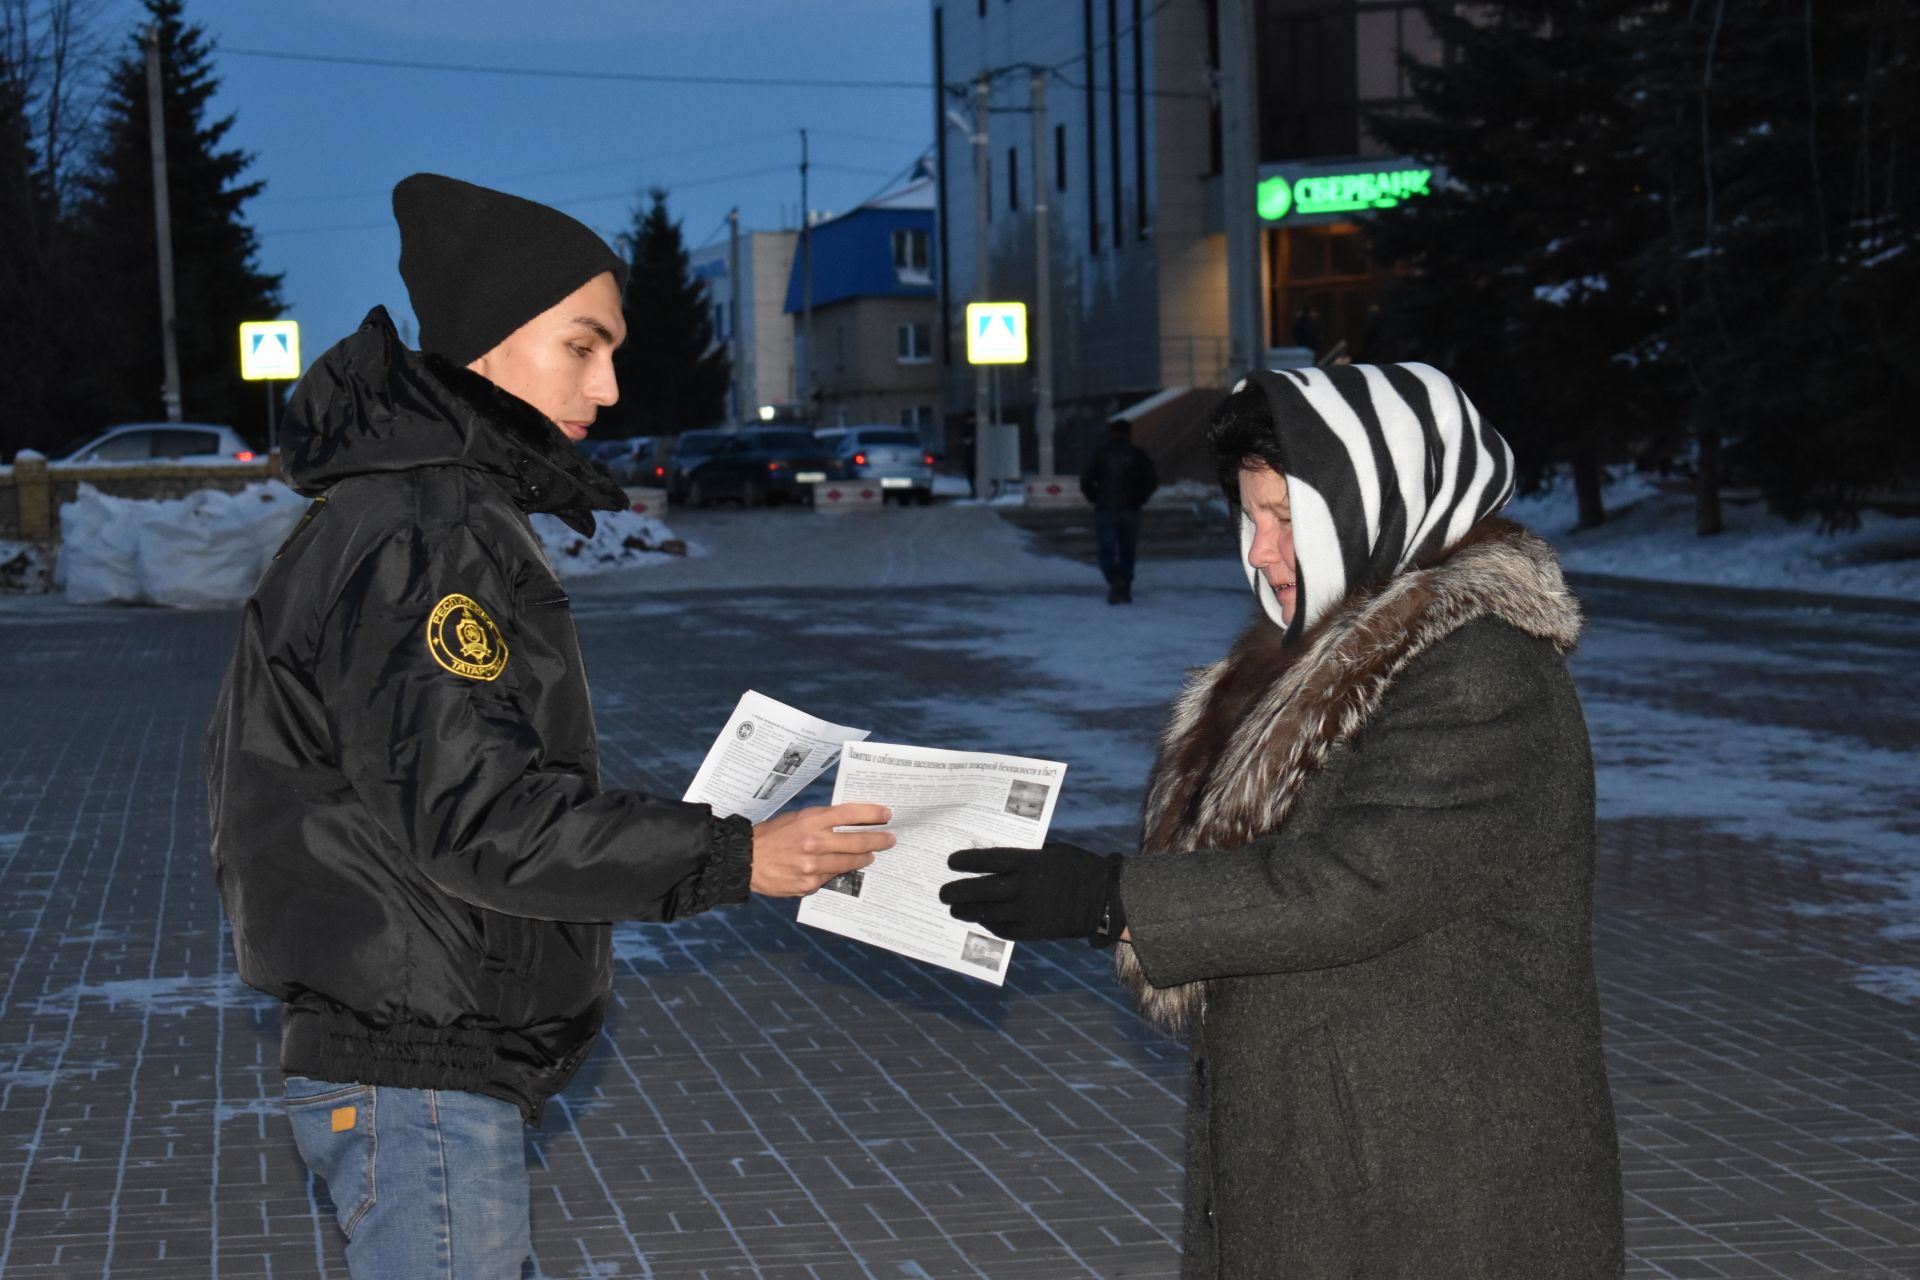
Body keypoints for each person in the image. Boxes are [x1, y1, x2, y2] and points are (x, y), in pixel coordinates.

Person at [204, 174, 894, 1280]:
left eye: (612, 349)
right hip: (416, 1060)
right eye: (582, 346)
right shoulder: (430, 530)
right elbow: (480, 813)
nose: (610, 384)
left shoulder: (433, 511)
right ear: (490, 341)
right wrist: (734, 852)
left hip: (423, 1050)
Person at [942, 363, 1624, 1277]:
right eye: (1252, 518)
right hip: (1334, 1136)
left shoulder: (1481, 671)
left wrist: (1109, 897)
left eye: (1287, 521)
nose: (1259, 553)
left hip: (1436, 1173)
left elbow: (1357, 885)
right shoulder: (1309, 665)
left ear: (1382, 504)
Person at [1078, 417, 1158, 604]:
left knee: (1106, 550)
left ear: (1112, 433)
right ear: (1129, 433)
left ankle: (1115, 581)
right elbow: (1151, 481)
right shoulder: (1138, 454)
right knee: (1127, 550)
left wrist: (1095, 498)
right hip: (1131, 508)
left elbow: (1086, 480)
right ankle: (1124, 584)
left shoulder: (1100, 454)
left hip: (1105, 508)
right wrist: (1141, 498)